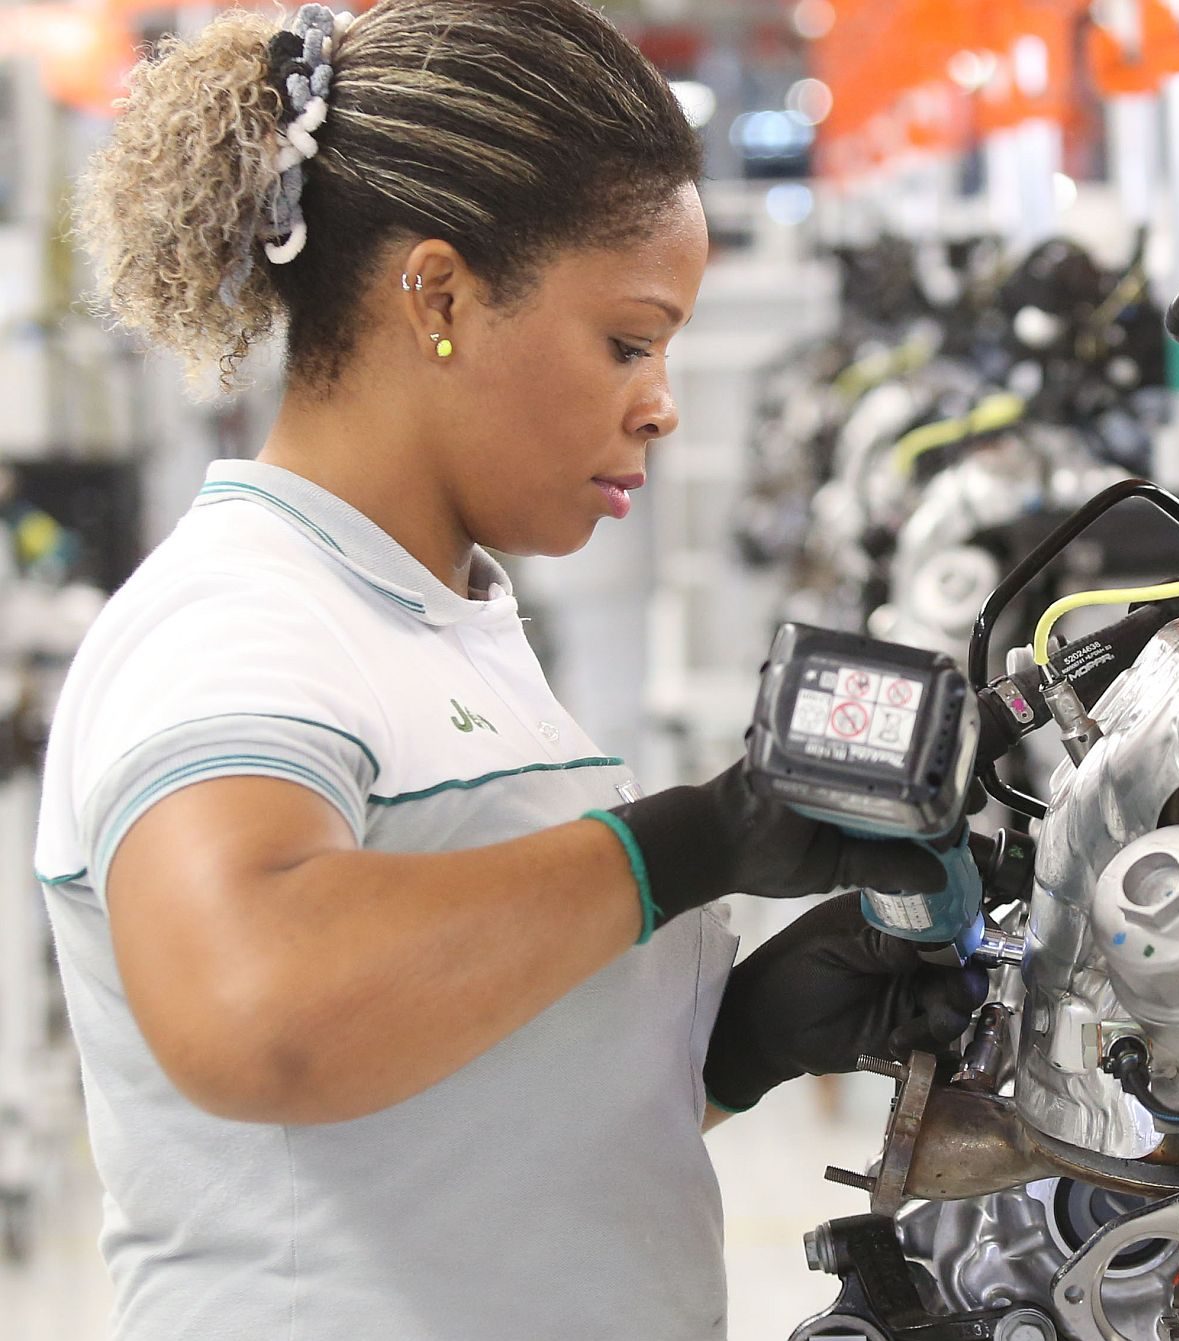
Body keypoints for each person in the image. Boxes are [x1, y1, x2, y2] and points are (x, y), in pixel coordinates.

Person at [35, 3, 986, 1337]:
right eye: (628, 339)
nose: (662, 401)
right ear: (439, 296)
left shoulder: (434, 623)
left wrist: (738, 1039)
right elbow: (261, 1013)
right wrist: (686, 845)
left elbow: (459, 1097)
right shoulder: (240, 622)